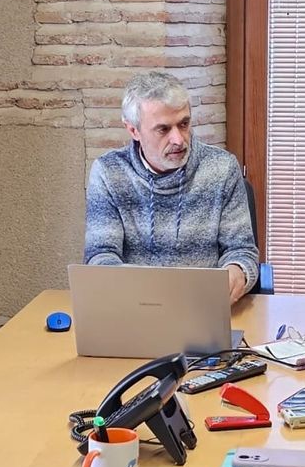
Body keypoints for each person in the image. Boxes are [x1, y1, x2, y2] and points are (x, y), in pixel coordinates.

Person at [84, 71, 259, 303]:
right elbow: (100, 256)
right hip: (134, 306)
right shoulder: (109, 172)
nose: (178, 139)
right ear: (133, 130)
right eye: (163, 129)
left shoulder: (222, 168)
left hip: (204, 306)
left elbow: (242, 252)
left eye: (184, 124)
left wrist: (237, 272)